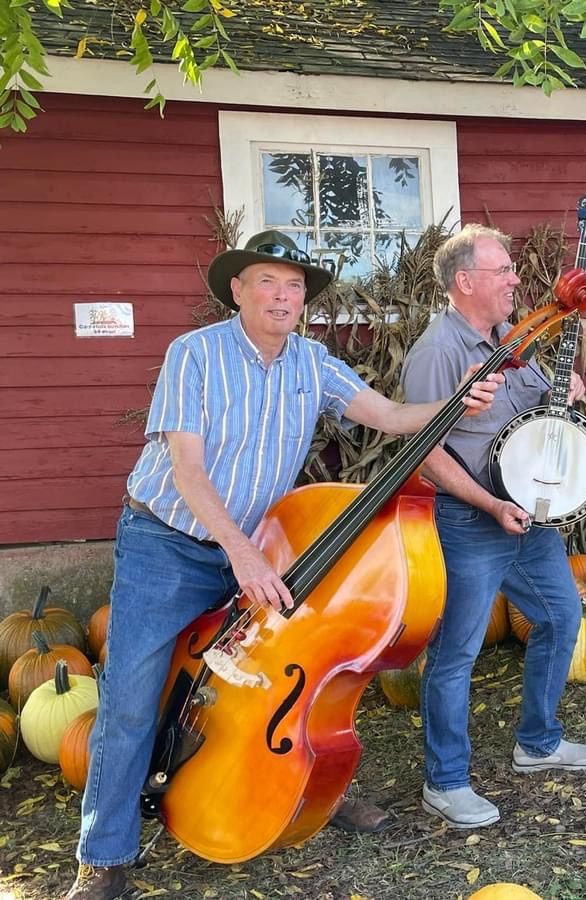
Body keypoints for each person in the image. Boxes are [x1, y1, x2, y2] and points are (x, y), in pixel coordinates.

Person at [65, 230, 503, 900]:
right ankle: (105, 854)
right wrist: (239, 554)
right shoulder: (195, 355)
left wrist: (455, 403)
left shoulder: (313, 362)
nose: (282, 296)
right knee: (130, 695)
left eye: (294, 285)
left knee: (275, 681)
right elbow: (187, 470)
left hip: (260, 547)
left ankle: (307, 793)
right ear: (237, 291)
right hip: (170, 543)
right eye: (267, 282)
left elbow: (385, 414)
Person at [399, 224, 586, 830]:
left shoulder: (513, 340)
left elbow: (541, 416)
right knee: (457, 650)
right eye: (503, 270)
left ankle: (538, 743)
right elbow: (426, 451)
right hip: (472, 518)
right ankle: (446, 780)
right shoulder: (439, 351)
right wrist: (489, 506)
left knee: (563, 616)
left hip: (529, 512)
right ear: (465, 282)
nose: (517, 278)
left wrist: (568, 392)